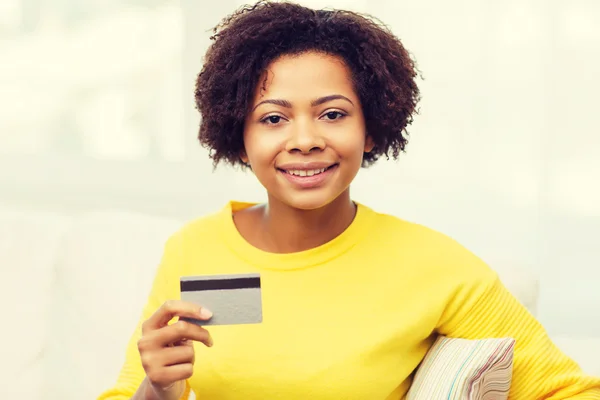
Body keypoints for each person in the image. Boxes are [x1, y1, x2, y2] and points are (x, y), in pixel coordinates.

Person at [98, 1, 600, 399]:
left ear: (372, 130)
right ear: (240, 134)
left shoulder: (433, 265)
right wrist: (158, 391)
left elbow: (568, 391)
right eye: (273, 118)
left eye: (332, 114)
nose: (304, 139)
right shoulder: (194, 249)